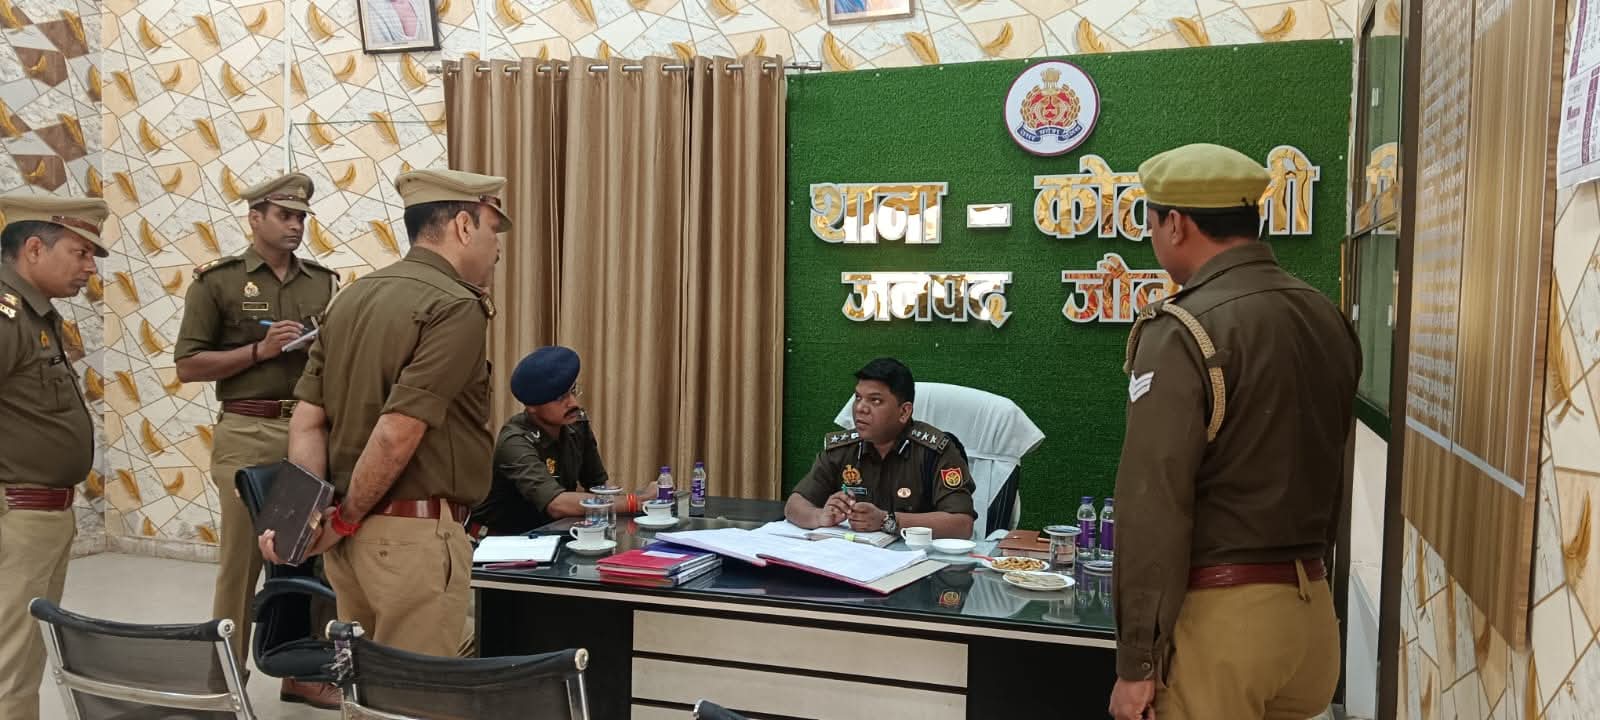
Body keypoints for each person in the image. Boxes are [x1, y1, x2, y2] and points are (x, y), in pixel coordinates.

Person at [1106, 143, 1360, 720]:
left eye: (1152, 223)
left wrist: (1137, 662)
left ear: (1176, 224)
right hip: (1312, 617)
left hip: (1223, 628)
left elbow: (1153, 501)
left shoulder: (1183, 328)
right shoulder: (1324, 315)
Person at [258, 169, 512, 658]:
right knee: (416, 690)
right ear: (463, 226)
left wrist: (306, 520)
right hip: (411, 539)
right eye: (492, 230)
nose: (496, 247)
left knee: (363, 682)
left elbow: (308, 419)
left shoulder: (351, 297)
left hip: (349, 544)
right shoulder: (455, 305)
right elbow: (397, 432)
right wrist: (344, 519)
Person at [173, 172, 340, 709]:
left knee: (313, 554)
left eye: (301, 217)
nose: (295, 226)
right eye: (285, 216)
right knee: (243, 562)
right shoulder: (217, 282)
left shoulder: (322, 282)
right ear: (255, 218)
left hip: (309, 429)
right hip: (248, 429)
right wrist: (258, 352)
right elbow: (188, 365)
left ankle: (303, 673)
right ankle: (224, 680)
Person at [0, 194, 105, 720]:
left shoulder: (35, 314)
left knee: (23, 657)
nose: (90, 268)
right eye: (80, 253)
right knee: (11, 667)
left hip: (41, 515)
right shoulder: (6, 315)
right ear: (35, 249)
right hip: (18, 515)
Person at [785, 357, 976, 540]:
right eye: (858, 397)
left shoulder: (935, 451)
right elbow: (794, 504)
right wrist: (820, 516)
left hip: (916, 557)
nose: (860, 408)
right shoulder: (842, 449)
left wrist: (888, 521)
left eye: (875, 400)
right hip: (851, 555)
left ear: (904, 412)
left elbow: (962, 524)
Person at [470, 345, 648, 537]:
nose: (574, 403)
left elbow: (599, 488)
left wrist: (647, 501)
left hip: (549, 533)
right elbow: (557, 504)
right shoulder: (515, 441)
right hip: (502, 541)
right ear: (532, 406)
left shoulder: (577, 424)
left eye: (573, 391)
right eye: (560, 397)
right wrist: (634, 501)